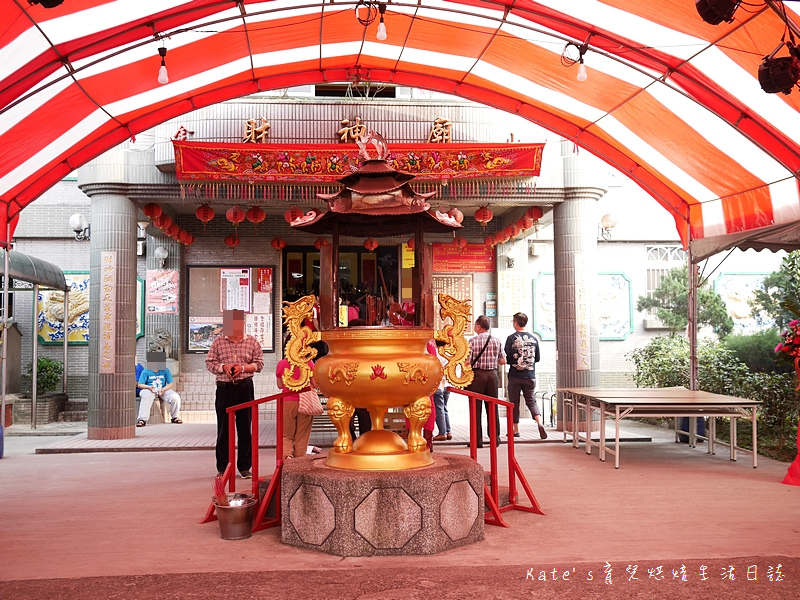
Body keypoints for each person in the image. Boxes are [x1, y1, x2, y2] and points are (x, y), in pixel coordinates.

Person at [206, 309, 264, 478]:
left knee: (245, 428)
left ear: (242, 323)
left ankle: (245, 467)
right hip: (224, 388)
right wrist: (223, 367)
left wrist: (243, 368)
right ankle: (223, 467)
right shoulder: (218, 342)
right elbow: (210, 363)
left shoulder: (252, 342)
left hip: (245, 387)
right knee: (224, 429)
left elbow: (259, 364)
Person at [504, 312, 547, 440]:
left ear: (516, 323)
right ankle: (539, 422)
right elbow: (537, 358)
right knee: (531, 401)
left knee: (514, 402)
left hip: (515, 376)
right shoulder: (534, 339)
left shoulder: (511, 338)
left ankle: (516, 430)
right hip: (530, 376)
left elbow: (507, 357)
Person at [465, 315, 505, 448]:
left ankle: (477, 441)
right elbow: (503, 361)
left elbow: (467, 362)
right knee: (492, 407)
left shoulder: (471, 342)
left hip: (477, 376)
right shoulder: (497, 341)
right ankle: (495, 439)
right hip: (492, 376)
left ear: (478, 327)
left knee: (475, 408)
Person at [276, 333, 316, 460]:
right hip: (305, 402)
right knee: (302, 436)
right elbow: (314, 384)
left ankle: (287, 457)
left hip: (287, 401)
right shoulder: (308, 363)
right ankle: (299, 462)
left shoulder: (282, 363)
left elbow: (280, 385)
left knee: (286, 434)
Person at [136, 351, 182, 427]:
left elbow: (171, 383)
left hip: (162, 389)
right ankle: (142, 419)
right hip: (149, 389)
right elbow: (140, 385)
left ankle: (175, 417)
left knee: (175, 397)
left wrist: (163, 389)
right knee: (147, 396)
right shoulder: (146, 371)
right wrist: (149, 387)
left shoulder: (165, 370)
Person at [432, 339, 451, 442]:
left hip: (438, 385)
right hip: (447, 384)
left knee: (439, 408)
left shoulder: (436, 353)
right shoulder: (447, 354)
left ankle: (442, 432)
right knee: (444, 408)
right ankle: (448, 431)